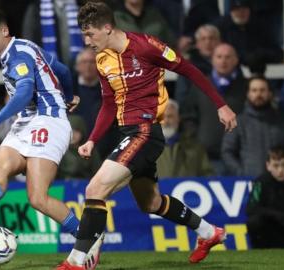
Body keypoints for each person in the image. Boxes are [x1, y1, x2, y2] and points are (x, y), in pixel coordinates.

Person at [55, 2, 237, 269]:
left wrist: (221, 105)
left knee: (95, 189)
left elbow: (188, 69)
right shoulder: (102, 59)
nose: (86, 40)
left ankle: (77, 262)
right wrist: (93, 139)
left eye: (90, 33)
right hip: (128, 133)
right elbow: (108, 103)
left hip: (146, 132)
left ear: (107, 28)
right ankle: (210, 233)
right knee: (150, 203)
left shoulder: (146, 45)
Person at [0, 9, 87, 260]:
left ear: (4, 30)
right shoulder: (23, 46)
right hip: (27, 120)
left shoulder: (17, 56)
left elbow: (23, 93)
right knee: (2, 163)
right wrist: (68, 95)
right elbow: (63, 70)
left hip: (49, 121)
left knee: (38, 197)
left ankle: (86, 238)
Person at [181, 43, 246, 176]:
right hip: (207, 157)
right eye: (219, 57)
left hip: (239, 157)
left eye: (228, 57)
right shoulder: (199, 86)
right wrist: (197, 141)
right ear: (212, 60)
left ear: (236, 60)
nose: (223, 61)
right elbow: (189, 116)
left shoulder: (246, 87)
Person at [221, 76, 284, 177]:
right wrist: (241, 173)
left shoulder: (281, 121)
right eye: (254, 90)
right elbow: (227, 152)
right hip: (248, 181)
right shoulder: (238, 122)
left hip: (277, 182)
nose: (258, 94)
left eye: (262, 90)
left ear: (270, 93)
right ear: (248, 94)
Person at [246, 146, 284, 248]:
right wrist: (279, 216)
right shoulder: (260, 182)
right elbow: (251, 208)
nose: (280, 170)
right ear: (268, 165)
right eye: (276, 165)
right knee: (254, 222)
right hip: (272, 229)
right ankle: (261, 253)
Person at [156, 99, 213, 178]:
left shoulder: (195, 147)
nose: (166, 121)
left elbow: (208, 175)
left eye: (170, 116)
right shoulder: (146, 149)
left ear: (178, 119)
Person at [57, 114, 102, 180]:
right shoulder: (58, 150)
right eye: (70, 132)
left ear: (82, 132)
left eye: (76, 131)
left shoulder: (89, 149)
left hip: (84, 186)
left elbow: (98, 173)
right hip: (60, 187)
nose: (73, 135)